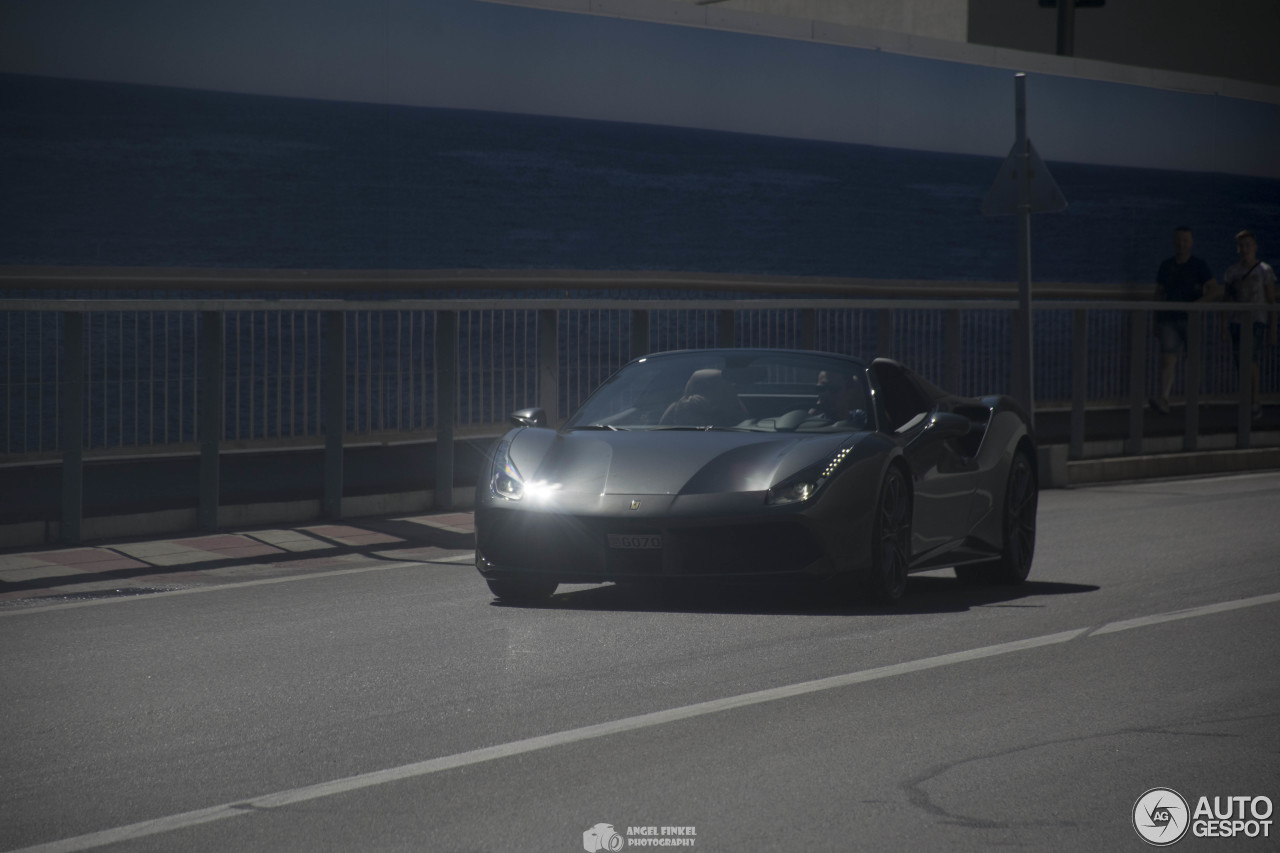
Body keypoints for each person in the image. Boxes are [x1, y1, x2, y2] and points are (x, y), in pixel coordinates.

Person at [1151, 226, 1218, 415]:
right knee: (1167, 358)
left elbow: (1214, 289)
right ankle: (1164, 398)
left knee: (1193, 360)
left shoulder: (1199, 265)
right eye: (1179, 240)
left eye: (1185, 240)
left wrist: (1197, 305)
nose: (1182, 244)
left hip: (1191, 320)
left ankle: (1194, 400)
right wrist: (1154, 320)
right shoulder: (1166, 266)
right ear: (1174, 242)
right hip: (1169, 319)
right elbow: (1159, 294)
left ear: (1191, 242)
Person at [1221, 229, 1277, 419]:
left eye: (1248, 245)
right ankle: (1249, 398)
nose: (1245, 249)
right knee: (1241, 362)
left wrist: (1272, 329)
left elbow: (1271, 301)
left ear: (1254, 247)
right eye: (1241, 246)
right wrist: (1223, 326)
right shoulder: (1232, 272)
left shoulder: (1264, 270)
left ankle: (1254, 398)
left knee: (1249, 358)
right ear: (1237, 249)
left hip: (1256, 321)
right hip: (1236, 321)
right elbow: (1225, 300)